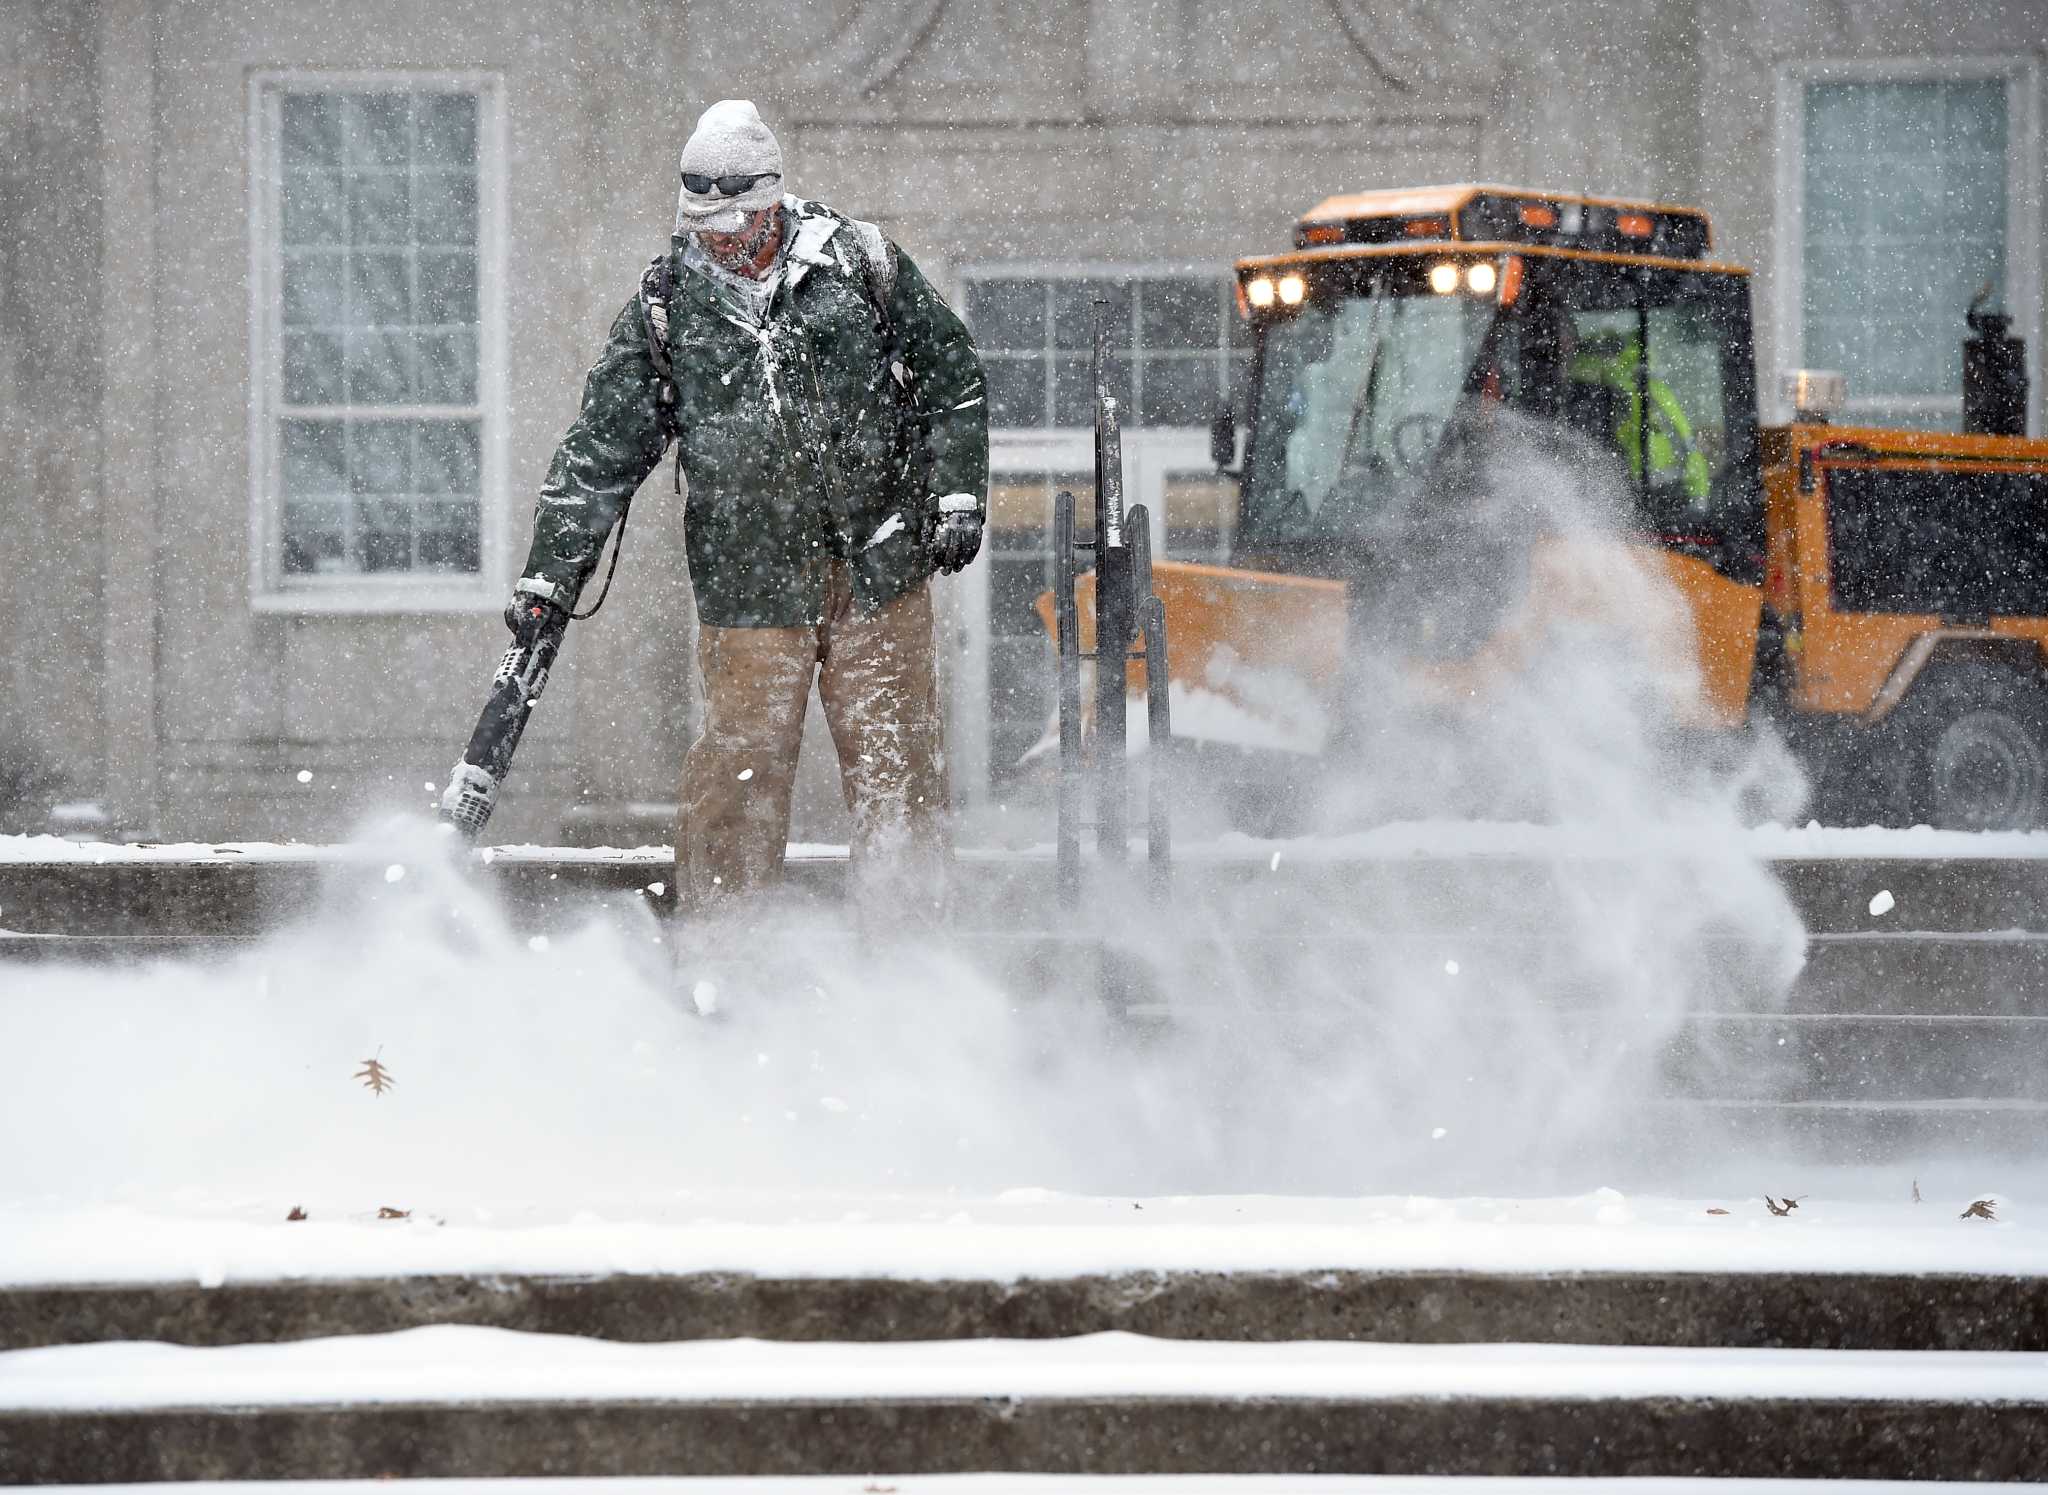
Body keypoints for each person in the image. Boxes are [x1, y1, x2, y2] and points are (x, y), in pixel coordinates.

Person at [509, 99, 989, 937]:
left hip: (877, 568)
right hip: (748, 585)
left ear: (772, 201)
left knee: (898, 771)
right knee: (738, 776)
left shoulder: (859, 265)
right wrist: (552, 570)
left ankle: (911, 964)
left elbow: (951, 373)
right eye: (705, 226)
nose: (720, 240)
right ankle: (726, 960)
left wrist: (957, 492)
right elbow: (597, 452)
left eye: (735, 222)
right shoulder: (668, 307)